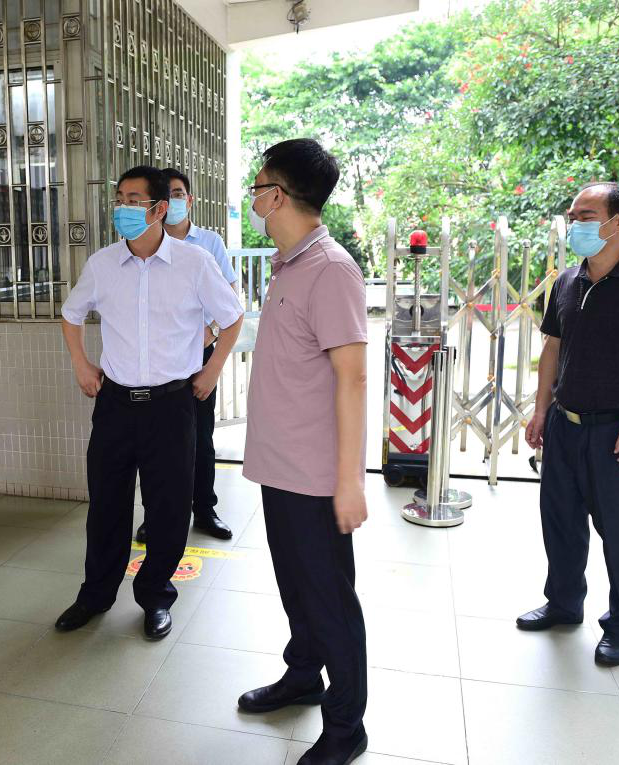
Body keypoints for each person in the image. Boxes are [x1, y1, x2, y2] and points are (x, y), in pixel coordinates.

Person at [55, 165, 243, 640]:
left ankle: (156, 596)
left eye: (134, 200)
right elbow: (71, 314)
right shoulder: (102, 265)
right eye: (119, 199)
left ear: (160, 209)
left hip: (171, 406)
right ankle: (95, 595)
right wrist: (81, 364)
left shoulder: (194, 262)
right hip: (115, 405)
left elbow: (232, 317)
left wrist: (213, 369)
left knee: (168, 508)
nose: (123, 208)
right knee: (106, 506)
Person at [238, 139, 370, 765]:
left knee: (329, 600)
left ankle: (347, 726)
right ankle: (303, 674)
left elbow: (354, 378)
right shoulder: (289, 264)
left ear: (278, 195)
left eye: (259, 186)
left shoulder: (331, 269)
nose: (254, 197)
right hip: (281, 467)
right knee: (295, 585)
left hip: (316, 477)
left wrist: (350, 482)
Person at [520, 182, 619, 667]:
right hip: (565, 424)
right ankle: (564, 603)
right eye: (573, 217)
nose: (576, 225)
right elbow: (552, 348)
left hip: (616, 430)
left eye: (586, 216)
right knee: (561, 522)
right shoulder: (567, 281)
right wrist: (541, 409)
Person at [134, 167, 237, 544]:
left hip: (199, 355)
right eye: (168, 195)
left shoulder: (208, 243)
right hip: (157, 360)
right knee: (155, 442)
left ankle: (204, 508)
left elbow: (230, 299)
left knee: (200, 436)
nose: (174, 200)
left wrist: (210, 333)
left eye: (179, 193)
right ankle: (155, 515)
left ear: (188, 199)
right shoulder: (142, 242)